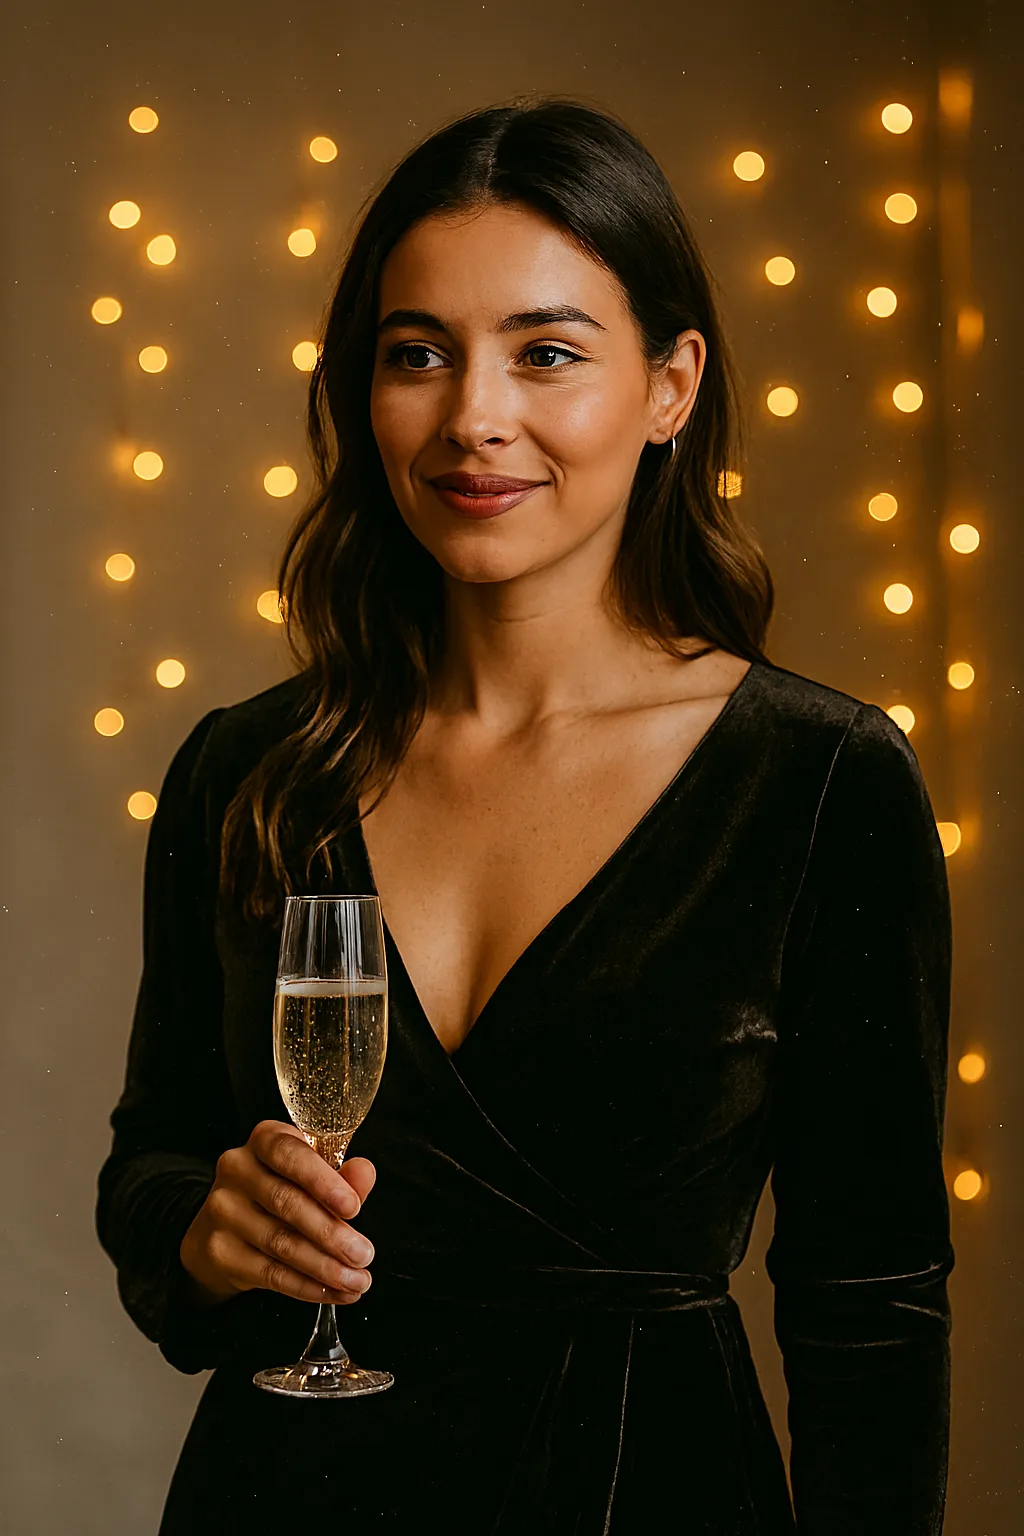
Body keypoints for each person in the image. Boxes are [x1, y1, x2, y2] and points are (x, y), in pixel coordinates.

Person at [96, 95, 955, 1534]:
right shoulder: (247, 768)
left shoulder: (822, 781)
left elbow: (872, 1305)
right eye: (416, 354)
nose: (472, 417)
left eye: (545, 353)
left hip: (650, 1495)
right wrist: (203, 1231)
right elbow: (154, 1164)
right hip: (286, 1497)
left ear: (671, 387)